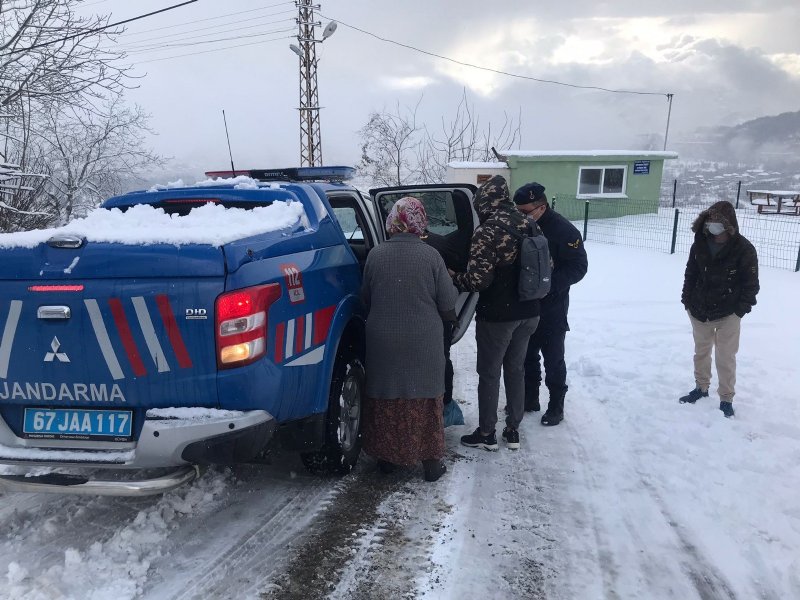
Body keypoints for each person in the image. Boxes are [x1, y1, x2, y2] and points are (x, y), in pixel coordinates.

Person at [361, 196, 457, 481]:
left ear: (392, 221)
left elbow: (365, 297)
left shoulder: (376, 255)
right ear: (420, 222)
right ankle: (430, 463)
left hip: (383, 340)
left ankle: (388, 459)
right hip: (423, 341)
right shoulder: (431, 256)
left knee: (387, 394)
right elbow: (447, 302)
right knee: (424, 396)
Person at [450, 175, 540, 451]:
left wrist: (451, 276)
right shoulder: (531, 224)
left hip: (499, 315)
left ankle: (487, 433)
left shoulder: (488, 231)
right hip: (530, 311)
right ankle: (513, 430)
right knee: (515, 368)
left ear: (484, 202)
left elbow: (478, 281)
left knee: (489, 373)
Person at [513, 182, 588, 427]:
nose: (521, 215)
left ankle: (556, 406)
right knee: (527, 356)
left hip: (552, 307)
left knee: (553, 358)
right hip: (526, 305)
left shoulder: (564, 231)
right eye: (519, 211)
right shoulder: (521, 226)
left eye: (526, 211)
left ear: (541, 207)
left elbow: (578, 267)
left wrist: (548, 284)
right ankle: (530, 399)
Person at [679, 200, 759, 418]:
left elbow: (751, 284)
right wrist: (687, 299)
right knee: (701, 352)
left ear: (729, 225)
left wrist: (740, 310)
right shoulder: (700, 244)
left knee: (725, 357)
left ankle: (726, 398)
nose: (712, 226)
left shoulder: (744, 249)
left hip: (728, 313)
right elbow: (691, 273)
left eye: (717, 223)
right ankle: (701, 387)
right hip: (699, 310)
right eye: (710, 222)